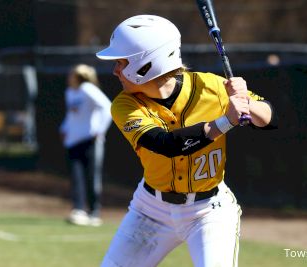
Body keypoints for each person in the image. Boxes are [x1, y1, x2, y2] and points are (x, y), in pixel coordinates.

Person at [96, 15, 277, 267]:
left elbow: (269, 118)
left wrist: (247, 102)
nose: (115, 70)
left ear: (146, 64)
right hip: (150, 209)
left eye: (121, 62)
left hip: (208, 211)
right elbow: (166, 144)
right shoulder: (125, 104)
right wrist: (226, 121)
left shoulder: (210, 87)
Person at [59, 64, 112, 226]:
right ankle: (79, 210)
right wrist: (64, 128)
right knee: (76, 177)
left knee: (92, 176)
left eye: (72, 75)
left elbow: (107, 107)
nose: (69, 78)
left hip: (90, 140)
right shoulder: (69, 93)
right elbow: (72, 115)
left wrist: (99, 130)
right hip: (73, 141)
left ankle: (94, 212)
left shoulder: (87, 88)